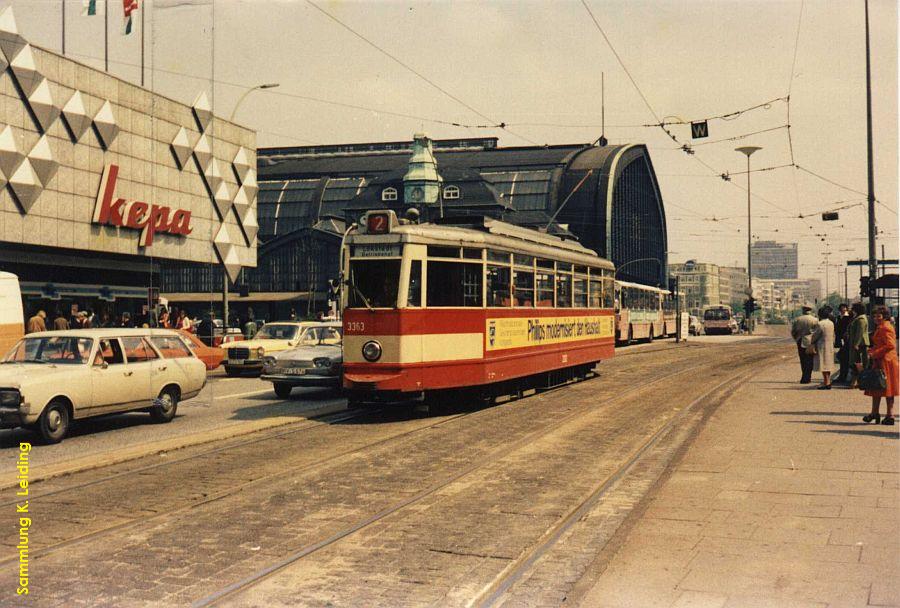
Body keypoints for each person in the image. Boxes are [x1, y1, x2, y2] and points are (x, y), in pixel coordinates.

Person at [862, 305, 899, 425]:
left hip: (885, 361)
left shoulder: (885, 328)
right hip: (884, 360)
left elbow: (890, 345)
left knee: (884, 388)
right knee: (879, 387)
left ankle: (886, 414)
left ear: (884, 316)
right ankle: (880, 413)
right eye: (874, 316)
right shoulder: (883, 326)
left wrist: (874, 353)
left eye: (878, 316)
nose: (875, 318)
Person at [791, 305, 819, 384]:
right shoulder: (815, 320)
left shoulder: (798, 319)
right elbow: (817, 331)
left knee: (802, 359)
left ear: (803, 310)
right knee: (810, 359)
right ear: (810, 310)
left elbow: (793, 331)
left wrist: (796, 338)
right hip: (811, 341)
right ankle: (808, 377)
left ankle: (804, 376)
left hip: (800, 340)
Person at [811, 306, 835, 389]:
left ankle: (826, 382)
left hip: (822, 346)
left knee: (823, 364)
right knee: (828, 364)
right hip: (830, 345)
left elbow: (816, 335)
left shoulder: (820, 324)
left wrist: (811, 341)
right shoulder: (831, 323)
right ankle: (827, 381)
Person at [847, 302, 869, 389]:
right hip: (858, 343)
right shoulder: (858, 318)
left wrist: (856, 344)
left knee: (858, 363)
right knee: (857, 363)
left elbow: (860, 333)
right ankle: (857, 381)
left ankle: (856, 381)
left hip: (860, 344)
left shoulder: (861, 319)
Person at [834, 303, 853, 384]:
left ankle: (843, 376)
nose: (843, 309)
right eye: (842, 308)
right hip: (840, 339)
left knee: (843, 357)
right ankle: (842, 375)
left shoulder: (848, 317)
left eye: (844, 308)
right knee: (842, 357)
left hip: (846, 340)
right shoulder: (838, 317)